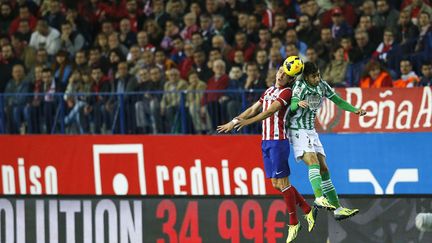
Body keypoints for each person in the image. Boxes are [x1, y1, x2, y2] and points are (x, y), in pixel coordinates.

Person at [217, 59, 317, 243]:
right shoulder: (269, 91)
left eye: (285, 75)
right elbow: (254, 108)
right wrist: (234, 122)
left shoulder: (287, 93)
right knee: (275, 184)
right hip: (265, 142)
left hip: (278, 141)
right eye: (280, 71)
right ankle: (308, 210)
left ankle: (294, 222)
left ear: (290, 80)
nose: (280, 75)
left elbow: (270, 112)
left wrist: (247, 123)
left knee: (284, 182)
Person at [288, 61, 367, 221]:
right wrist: (298, 104)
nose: (317, 78)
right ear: (306, 76)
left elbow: (338, 101)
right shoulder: (300, 86)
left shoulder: (322, 85)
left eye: (318, 74)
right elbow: (293, 104)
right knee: (313, 161)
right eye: (313, 76)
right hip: (297, 129)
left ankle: (337, 209)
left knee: (324, 169)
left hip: (311, 130)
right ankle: (318, 197)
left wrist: (355, 110)